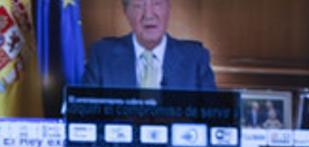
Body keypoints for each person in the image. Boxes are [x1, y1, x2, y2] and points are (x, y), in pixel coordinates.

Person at [81, 0, 215, 91]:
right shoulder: (102, 56)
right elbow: (85, 115)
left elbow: (213, 117)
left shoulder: (195, 59)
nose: (149, 15)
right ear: (126, 12)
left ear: (168, 8)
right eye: (139, 5)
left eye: (157, 4)